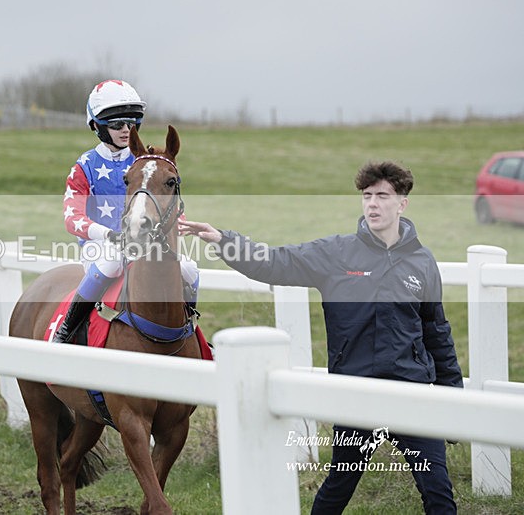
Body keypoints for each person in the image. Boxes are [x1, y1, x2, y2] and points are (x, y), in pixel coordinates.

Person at [179, 161, 462, 514]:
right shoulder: (337, 253)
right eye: (367, 196)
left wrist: (453, 399)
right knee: (338, 488)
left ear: (402, 203)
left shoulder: (422, 262)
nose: (373, 204)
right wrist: (225, 240)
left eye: (383, 196)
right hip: (355, 393)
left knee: (439, 493)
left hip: (412, 392)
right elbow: (275, 262)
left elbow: (436, 331)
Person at [53, 79, 199, 344]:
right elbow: (72, 219)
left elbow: (167, 201)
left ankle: (188, 325)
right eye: (117, 124)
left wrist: (178, 226)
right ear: (97, 126)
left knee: (189, 268)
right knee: (110, 263)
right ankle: (67, 330)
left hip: (146, 241)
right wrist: (108, 235)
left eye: (131, 123)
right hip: (101, 245)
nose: (125, 130)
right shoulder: (85, 166)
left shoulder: (145, 162)